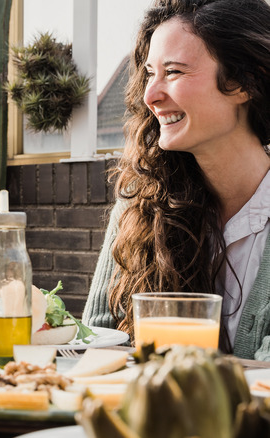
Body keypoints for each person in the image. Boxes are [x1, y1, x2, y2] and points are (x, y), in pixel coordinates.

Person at [83, 0, 270, 360]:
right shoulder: (143, 200)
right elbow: (98, 341)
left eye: (174, 72)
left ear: (245, 82)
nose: (150, 95)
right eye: (150, 73)